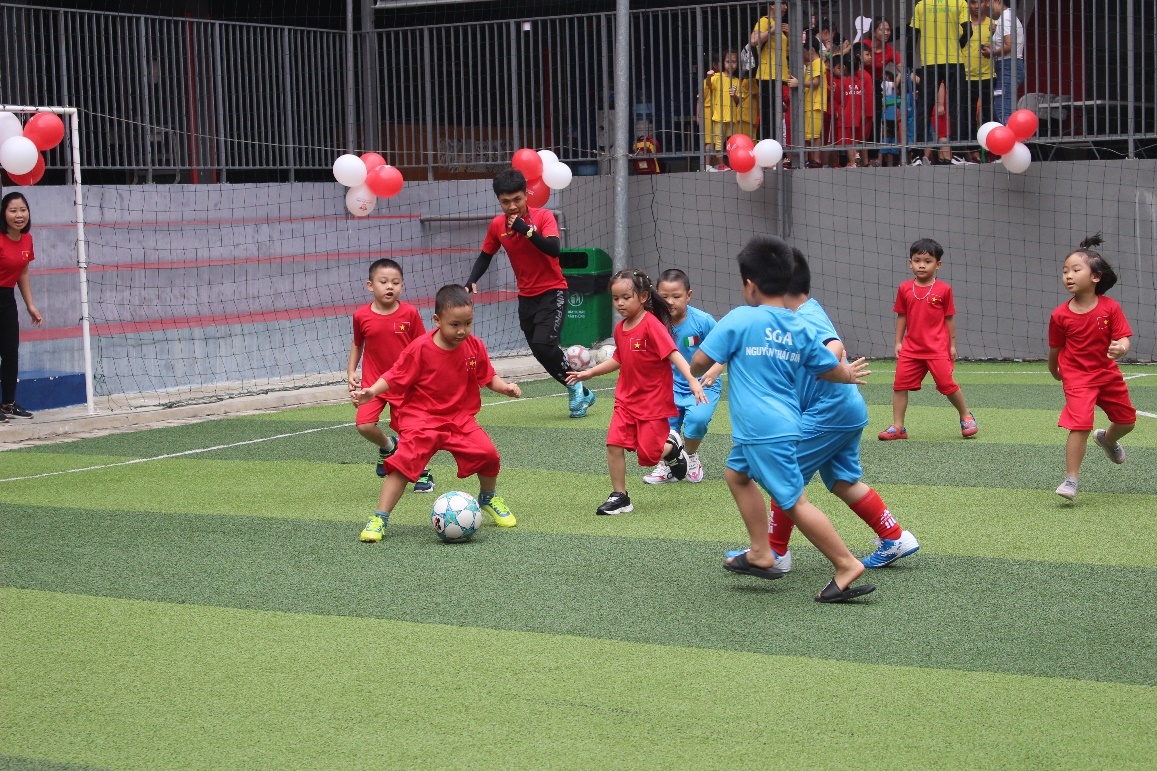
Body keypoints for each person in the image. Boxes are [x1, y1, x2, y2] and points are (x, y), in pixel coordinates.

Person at [692, 235, 875, 603]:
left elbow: (698, 363)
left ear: (750, 284)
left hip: (762, 430)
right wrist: (849, 374)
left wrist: (708, 349)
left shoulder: (740, 318)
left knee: (793, 501)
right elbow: (828, 369)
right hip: (781, 425)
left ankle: (846, 564)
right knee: (736, 474)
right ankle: (761, 551)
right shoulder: (798, 327)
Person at [730, 249, 919, 572]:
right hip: (846, 410)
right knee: (842, 481)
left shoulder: (804, 317)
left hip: (827, 413)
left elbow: (832, 344)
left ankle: (774, 553)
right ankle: (895, 537)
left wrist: (828, 362)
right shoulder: (805, 310)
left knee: (783, 478)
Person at [353, 285, 522, 543]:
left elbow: (489, 377)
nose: (462, 330)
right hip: (422, 420)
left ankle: (488, 498)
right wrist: (372, 392)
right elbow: (394, 375)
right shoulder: (419, 348)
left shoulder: (474, 346)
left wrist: (505, 388)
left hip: (460, 419)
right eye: (455, 324)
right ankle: (379, 518)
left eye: (468, 323)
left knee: (488, 454)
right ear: (437, 320)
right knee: (401, 466)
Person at [567, 269, 706, 516]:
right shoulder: (620, 329)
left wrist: (693, 381)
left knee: (649, 455)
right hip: (625, 400)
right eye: (615, 298)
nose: (620, 303)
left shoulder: (652, 325)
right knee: (613, 444)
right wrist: (590, 373)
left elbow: (674, 355)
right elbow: (619, 359)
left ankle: (672, 448)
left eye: (626, 297)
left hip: (652, 402)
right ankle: (620, 496)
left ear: (643, 297)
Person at [466, 168, 595, 418]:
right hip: (526, 296)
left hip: (553, 291)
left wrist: (527, 230)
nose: (512, 206)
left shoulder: (544, 216)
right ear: (499, 201)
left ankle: (576, 386)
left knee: (543, 344)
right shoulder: (497, 226)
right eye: (506, 201)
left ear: (526, 195)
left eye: (517, 199)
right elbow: (485, 255)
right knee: (539, 350)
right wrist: (471, 280)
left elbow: (554, 249)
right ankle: (581, 389)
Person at [1048, 235, 1135, 501]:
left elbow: (1123, 338)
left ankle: (1107, 439)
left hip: (1107, 374)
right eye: (1065, 271)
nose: (1068, 276)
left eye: (1076, 270)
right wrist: (1055, 370)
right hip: (1076, 376)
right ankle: (1071, 480)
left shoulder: (1111, 308)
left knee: (1127, 422)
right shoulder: (1060, 315)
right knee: (1080, 424)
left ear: (1095, 277)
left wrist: (1121, 348)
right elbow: (1055, 350)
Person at [879, 238, 978, 441]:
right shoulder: (905, 288)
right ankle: (898, 427)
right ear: (910, 263)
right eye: (917, 260)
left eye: (927, 260)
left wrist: (952, 345)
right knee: (899, 385)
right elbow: (902, 316)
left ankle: (966, 415)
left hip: (938, 349)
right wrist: (898, 342)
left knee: (947, 384)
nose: (922, 265)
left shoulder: (944, 290)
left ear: (937, 264)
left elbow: (949, 319)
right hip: (911, 349)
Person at [346, 258, 433, 490]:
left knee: (411, 432)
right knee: (364, 425)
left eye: (395, 282)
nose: (389, 286)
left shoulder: (410, 314)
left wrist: (425, 378)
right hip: (373, 385)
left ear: (402, 286)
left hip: (404, 385)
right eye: (383, 281)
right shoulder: (361, 316)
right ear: (370, 285)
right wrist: (351, 370)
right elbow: (357, 343)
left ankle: (423, 472)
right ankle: (387, 447)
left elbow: (423, 346)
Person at [643, 269, 723, 484]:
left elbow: (726, 347)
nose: (670, 302)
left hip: (703, 384)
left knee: (697, 420)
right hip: (667, 385)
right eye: (664, 297)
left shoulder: (703, 321)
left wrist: (716, 368)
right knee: (664, 425)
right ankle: (669, 464)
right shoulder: (651, 321)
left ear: (688, 295)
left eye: (676, 296)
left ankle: (690, 456)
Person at [909, 0, 971, 165]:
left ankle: (916, 155)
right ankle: (958, 155)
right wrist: (958, 45)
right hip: (954, 60)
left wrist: (910, 63)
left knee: (923, 107)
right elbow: (968, 31)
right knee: (957, 107)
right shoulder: (959, 3)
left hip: (929, 62)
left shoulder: (921, 5)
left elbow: (912, 34)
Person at [0, 192, 44, 422]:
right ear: (3, 213)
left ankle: (8, 403)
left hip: (6, 298)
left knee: (10, 352)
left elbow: (23, 271)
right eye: (13, 210)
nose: (19, 215)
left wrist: (30, 305)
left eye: (23, 210)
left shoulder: (27, 240)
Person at [750, 2, 799, 148]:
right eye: (782, 3)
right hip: (767, 75)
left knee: (777, 116)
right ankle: (764, 150)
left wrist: (788, 35)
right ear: (772, 5)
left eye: (786, 4)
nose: (785, 7)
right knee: (767, 116)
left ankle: (774, 151)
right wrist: (772, 30)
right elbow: (754, 40)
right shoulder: (764, 21)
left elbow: (787, 52)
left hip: (780, 75)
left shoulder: (779, 24)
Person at [961, 0, 995, 162]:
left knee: (988, 115)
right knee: (966, 116)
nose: (976, 6)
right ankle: (971, 151)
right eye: (973, 2)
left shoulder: (993, 24)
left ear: (987, 3)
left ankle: (991, 150)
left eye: (979, 2)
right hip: (966, 76)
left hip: (988, 76)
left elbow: (1004, 46)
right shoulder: (963, 24)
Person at [830, 54, 872, 168]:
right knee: (855, 139)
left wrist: (834, 90)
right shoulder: (859, 82)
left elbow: (838, 99)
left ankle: (853, 161)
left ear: (844, 67)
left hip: (845, 115)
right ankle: (856, 155)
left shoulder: (841, 82)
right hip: (857, 115)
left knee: (847, 141)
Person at [988, 0, 1025, 124]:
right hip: (1008, 65)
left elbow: (1010, 45)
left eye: (990, 1)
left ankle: (1009, 140)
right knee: (1004, 105)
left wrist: (991, 53)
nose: (988, 5)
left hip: (1008, 66)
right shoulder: (1006, 18)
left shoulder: (1006, 18)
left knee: (1002, 109)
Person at [706, 50, 742, 171]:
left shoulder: (737, 81)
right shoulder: (717, 77)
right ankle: (721, 165)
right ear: (723, 63)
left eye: (734, 62)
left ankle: (733, 164)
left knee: (731, 142)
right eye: (728, 62)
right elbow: (708, 84)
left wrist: (734, 96)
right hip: (718, 116)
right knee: (719, 142)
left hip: (732, 117)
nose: (731, 65)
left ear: (737, 64)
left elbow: (739, 101)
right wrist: (709, 76)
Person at [801, 37, 829, 168]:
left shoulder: (818, 63)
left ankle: (816, 160)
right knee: (808, 135)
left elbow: (816, 82)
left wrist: (799, 83)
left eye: (804, 52)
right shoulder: (810, 65)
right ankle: (809, 160)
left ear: (811, 50)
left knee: (815, 134)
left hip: (816, 104)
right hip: (808, 104)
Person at [695, 54, 721, 170]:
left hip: (717, 111)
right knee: (709, 140)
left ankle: (715, 165)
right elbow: (700, 100)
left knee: (716, 141)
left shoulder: (722, 79)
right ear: (715, 65)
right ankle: (706, 166)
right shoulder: (707, 81)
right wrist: (698, 115)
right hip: (708, 111)